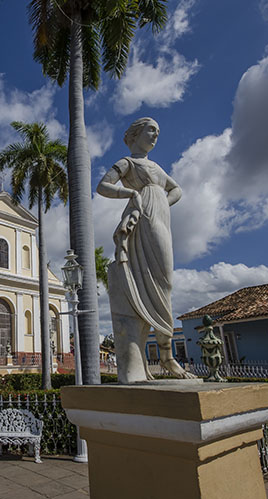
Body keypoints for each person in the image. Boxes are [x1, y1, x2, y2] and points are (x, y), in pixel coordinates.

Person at [97, 117, 194, 382]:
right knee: (157, 281)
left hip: (159, 216)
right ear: (137, 133)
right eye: (151, 130)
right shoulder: (128, 163)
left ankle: (166, 355)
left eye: (158, 132)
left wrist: (160, 200)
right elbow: (103, 186)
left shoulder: (157, 168)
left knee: (165, 281)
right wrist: (130, 196)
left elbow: (177, 190)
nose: (155, 135)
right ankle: (166, 357)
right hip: (143, 217)